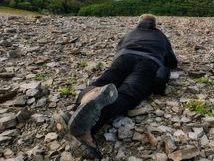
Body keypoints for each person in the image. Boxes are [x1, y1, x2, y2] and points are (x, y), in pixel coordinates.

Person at [53, 14, 178, 159]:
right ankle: (87, 131)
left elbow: (118, 48)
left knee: (100, 83)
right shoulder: (161, 36)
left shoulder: (130, 33)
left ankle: (76, 110)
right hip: (148, 62)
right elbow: (172, 62)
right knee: (127, 93)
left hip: (123, 58)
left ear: (139, 22)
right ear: (154, 24)